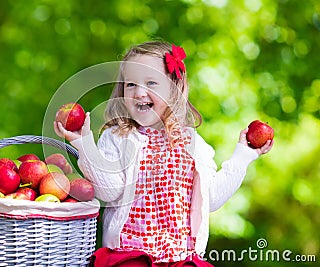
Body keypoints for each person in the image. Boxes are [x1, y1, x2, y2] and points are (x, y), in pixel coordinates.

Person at [54, 41, 273, 267]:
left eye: (151, 83)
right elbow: (109, 191)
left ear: (173, 89)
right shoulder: (117, 137)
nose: (139, 92)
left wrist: (243, 155)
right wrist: (84, 144)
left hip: (181, 258)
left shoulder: (192, 143)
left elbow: (211, 199)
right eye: (130, 84)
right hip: (130, 255)